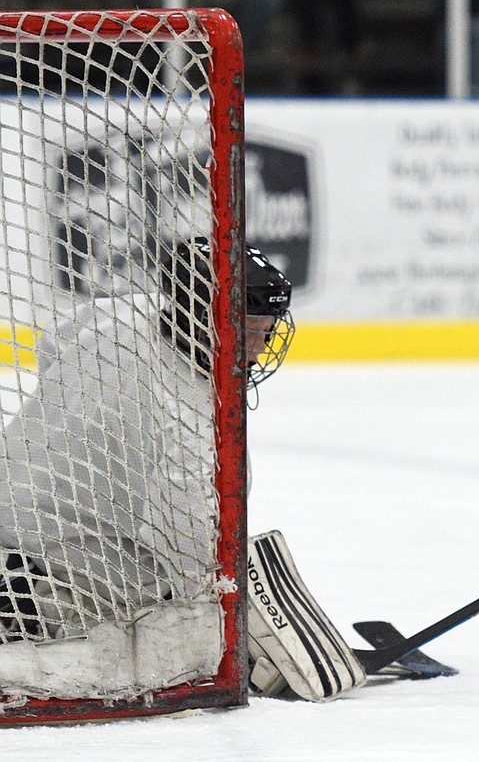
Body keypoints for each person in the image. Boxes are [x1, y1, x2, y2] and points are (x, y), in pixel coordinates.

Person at [0, 239, 361, 701]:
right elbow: (200, 564)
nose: (257, 349)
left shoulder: (124, 318)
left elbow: (58, 340)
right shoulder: (188, 424)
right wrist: (239, 642)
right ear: (204, 320)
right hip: (49, 592)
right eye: (248, 331)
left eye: (266, 332)